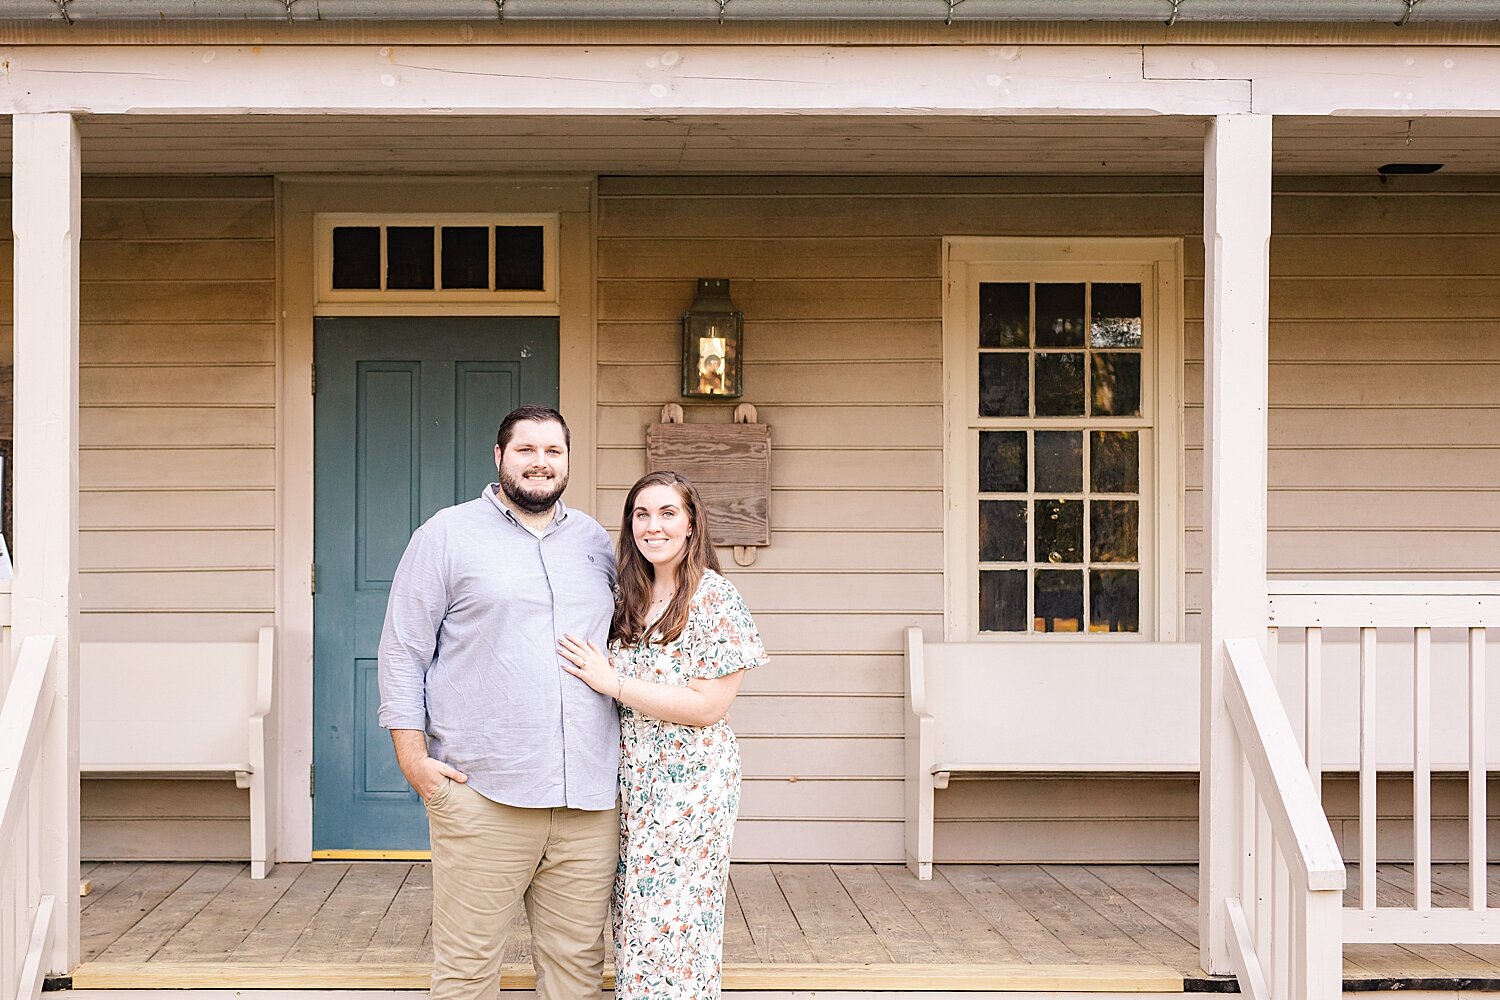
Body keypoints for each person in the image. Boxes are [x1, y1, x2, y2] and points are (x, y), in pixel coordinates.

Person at [377, 405, 618, 1000]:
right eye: (526, 450)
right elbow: (402, 650)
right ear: (499, 457)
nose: (540, 463)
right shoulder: (446, 535)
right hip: (485, 792)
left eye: (553, 451)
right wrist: (413, 760)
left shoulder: (594, 541)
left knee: (578, 975)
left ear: (568, 460)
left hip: (587, 798)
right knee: (466, 973)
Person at [557, 470, 768, 1000]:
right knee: (634, 919)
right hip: (629, 783)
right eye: (641, 514)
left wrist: (615, 683)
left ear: (692, 523)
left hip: (690, 785)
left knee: (676, 924)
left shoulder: (714, 598)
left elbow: (708, 706)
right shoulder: (630, 595)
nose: (654, 526)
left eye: (668, 513)